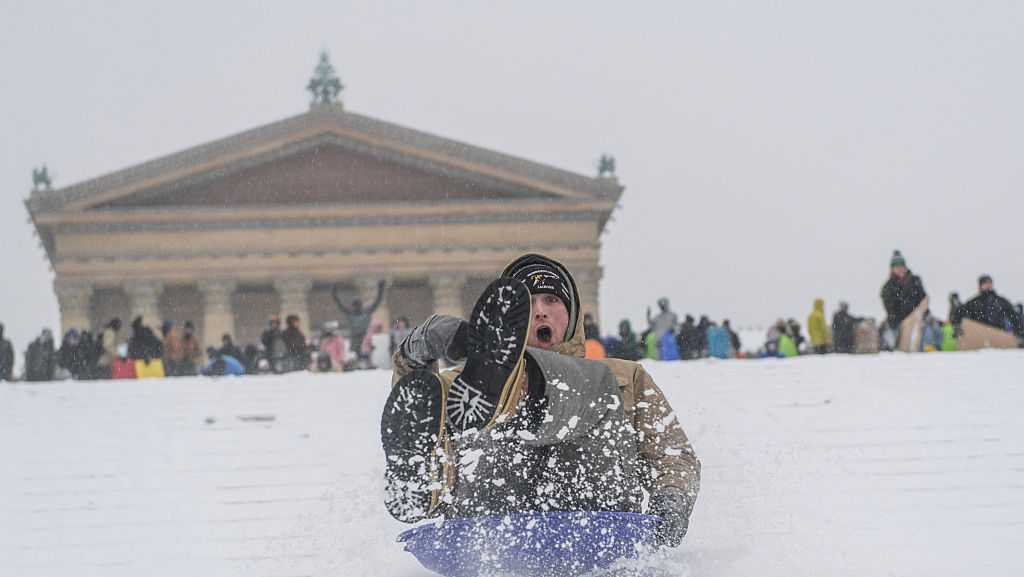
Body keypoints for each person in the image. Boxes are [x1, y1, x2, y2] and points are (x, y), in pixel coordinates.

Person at [382, 254, 700, 548]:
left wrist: (671, 498)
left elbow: (672, 455)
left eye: (551, 299)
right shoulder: (471, 383)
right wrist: (415, 355)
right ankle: (423, 476)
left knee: (599, 387)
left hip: (594, 513)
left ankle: (522, 387)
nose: (539, 311)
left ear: (571, 312)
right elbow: (416, 409)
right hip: (495, 518)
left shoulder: (626, 377)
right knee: (454, 406)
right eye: (528, 304)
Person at [332, 280, 386, 366]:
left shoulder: (366, 312)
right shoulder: (350, 314)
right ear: (353, 306)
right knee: (355, 356)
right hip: (355, 339)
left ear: (361, 305)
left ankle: (366, 364)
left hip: (365, 338)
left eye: (358, 305)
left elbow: (377, 302)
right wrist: (334, 293)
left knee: (366, 355)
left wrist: (381, 289)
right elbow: (339, 304)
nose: (357, 307)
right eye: (355, 305)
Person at [950, 275, 1024, 336]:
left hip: (999, 334)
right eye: (985, 283)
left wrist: (1019, 331)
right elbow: (960, 313)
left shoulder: (1001, 301)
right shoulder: (974, 302)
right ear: (980, 286)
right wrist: (957, 325)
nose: (988, 285)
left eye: (989, 283)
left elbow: (1014, 316)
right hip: (979, 334)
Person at [880, 250, 927, 333]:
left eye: (901, 266)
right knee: (890, 335)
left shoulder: (915, 281)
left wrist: (921, 314)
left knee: (931, 331)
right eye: (897, 267)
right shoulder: (887, 288)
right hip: (898, 322)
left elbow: (922, 299)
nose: (900, 269)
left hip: (918, 318)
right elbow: (891, 309)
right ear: (892, 269)